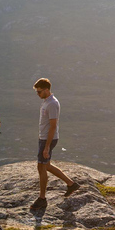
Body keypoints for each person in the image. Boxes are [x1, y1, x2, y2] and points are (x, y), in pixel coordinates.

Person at [30, 78, 79, 210]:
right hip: (44, 138)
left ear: (46, 90)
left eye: (39, 92)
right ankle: (70, 184)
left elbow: (53, 126)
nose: (38, 94)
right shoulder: (46, 101)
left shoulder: (52, 103)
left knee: (41, 167)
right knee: (46, 165)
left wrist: (47, 146)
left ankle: (42, 199)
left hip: (48, 139)